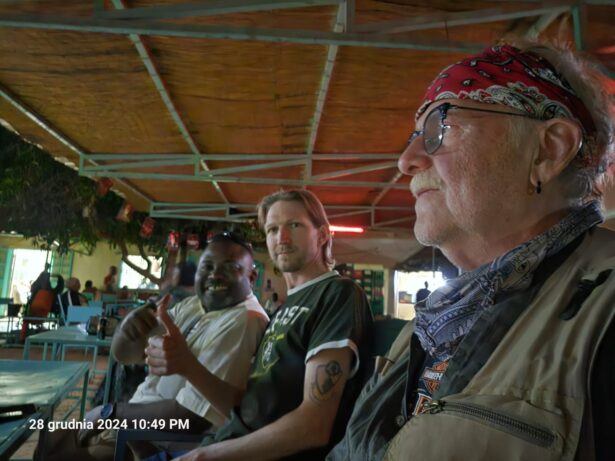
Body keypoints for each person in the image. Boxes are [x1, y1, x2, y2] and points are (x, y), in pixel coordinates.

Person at [327, 42, 614, 460]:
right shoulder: (430, 323)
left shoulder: (603, 312)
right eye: (413, 135)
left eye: (438, 128)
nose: (406, 160)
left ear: (548, 149)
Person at [166, 189, 373, 460]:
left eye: (294, 225)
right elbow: (248, 408)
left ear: (322, 235)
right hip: (223, 441)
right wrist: (186, 365)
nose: (281, 238)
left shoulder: (337, 294)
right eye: (273, 229)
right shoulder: (281, 310)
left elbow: (314, 426)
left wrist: (204, 456)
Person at [37, 233, 269, 461]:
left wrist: (109, 414)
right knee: (51, 438)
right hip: (134, 426)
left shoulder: (244, 319)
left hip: (157, 440)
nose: (214, 275)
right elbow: (128, 355)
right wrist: (127, 330)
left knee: (56, 450)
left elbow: (191, 418)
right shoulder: (194, 305)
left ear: (252, 276)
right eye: (206, 266)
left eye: (230, 267)